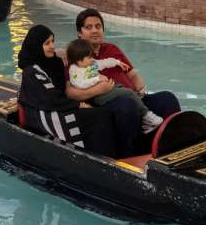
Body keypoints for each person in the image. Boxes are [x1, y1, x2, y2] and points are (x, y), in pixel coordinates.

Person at [16, 26, 136, 157]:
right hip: (47, 112)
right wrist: (78, 104)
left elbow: (72, 66)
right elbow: (49, 99)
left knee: (105, 112)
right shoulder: (31, 71)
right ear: (36, 46)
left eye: (52, 41)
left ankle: (110, 154)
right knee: (98, 116)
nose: (52, 46)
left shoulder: (54, 61)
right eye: (47, 43)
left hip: (61, 103)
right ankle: (103, 157)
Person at [74, 8, 181, 154]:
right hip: (107, 104)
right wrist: (99, 90)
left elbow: (132, 74)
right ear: (79, 33)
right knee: (127, 105)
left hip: (133, 97)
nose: (95, 31)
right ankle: (128, 155)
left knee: (167, 99)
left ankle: (170, 148)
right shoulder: (75, 55)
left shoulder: (112, 49)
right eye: (89, 27)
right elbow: (70, 91)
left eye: (98, 26)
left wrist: (140, 89)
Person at [66, 38, 163, 130]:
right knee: (128, 93)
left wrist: (117, 62)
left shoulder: (91, 63)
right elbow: (79, 84)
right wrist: (97, 79)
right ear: (79, 60)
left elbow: (104, 63)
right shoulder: (75, 71)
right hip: (98, 97)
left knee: (127, 92)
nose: (92, 59)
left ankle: (143, 115)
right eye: (89, 57)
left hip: (109, 89)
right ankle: (147, 116)